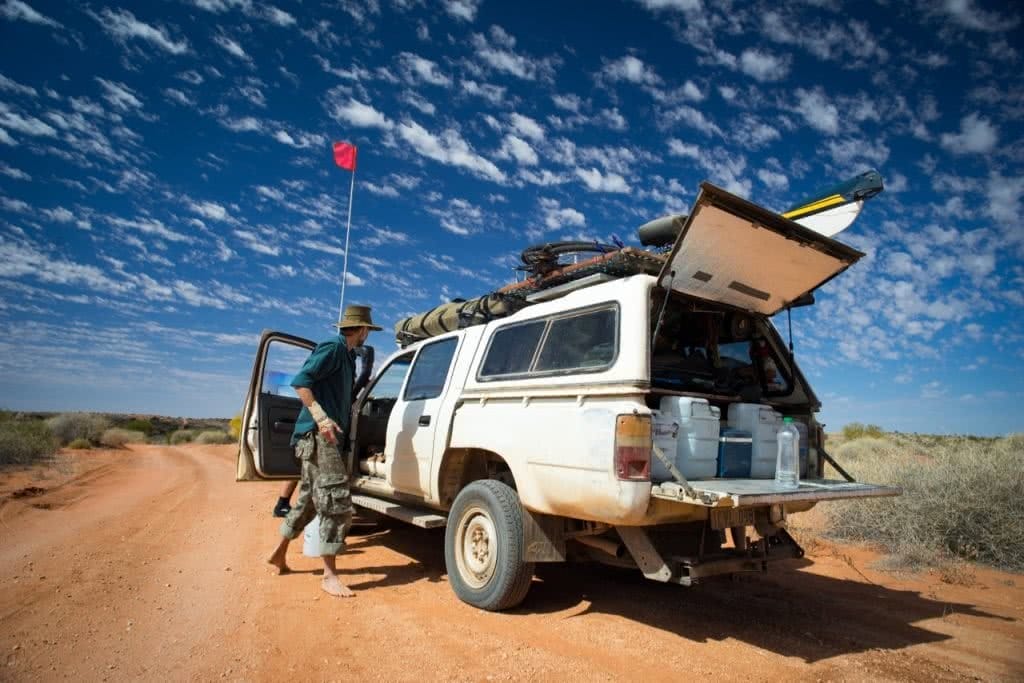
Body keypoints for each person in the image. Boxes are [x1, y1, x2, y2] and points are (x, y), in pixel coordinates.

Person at [267, 304, 382, 597]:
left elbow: (335, 393)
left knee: (308, 501)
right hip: (319, 437)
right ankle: (329, 575)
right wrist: (321, 417)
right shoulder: (332, 347)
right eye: (368, 330)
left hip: (325, 438)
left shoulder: (347, 356)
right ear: (363, 329)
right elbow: (301, 382)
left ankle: (278, 553)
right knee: (335, 500)